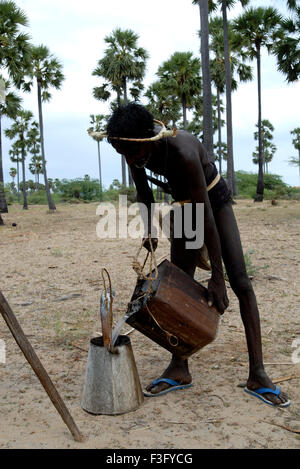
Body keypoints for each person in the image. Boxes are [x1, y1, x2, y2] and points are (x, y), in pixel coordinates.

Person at [106, 103, 290, 407]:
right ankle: (179, 368)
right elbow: (145, 194)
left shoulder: (182, 153)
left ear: (147, 140)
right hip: (183, 207)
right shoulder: (132, 147)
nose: (129, 159)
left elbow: (205, 215)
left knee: (241, 282)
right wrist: (150, 231)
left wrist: (218, 276)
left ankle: (258, 373)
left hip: (212, 201)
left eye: (132, 154)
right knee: (177, 288)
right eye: (123, 154)